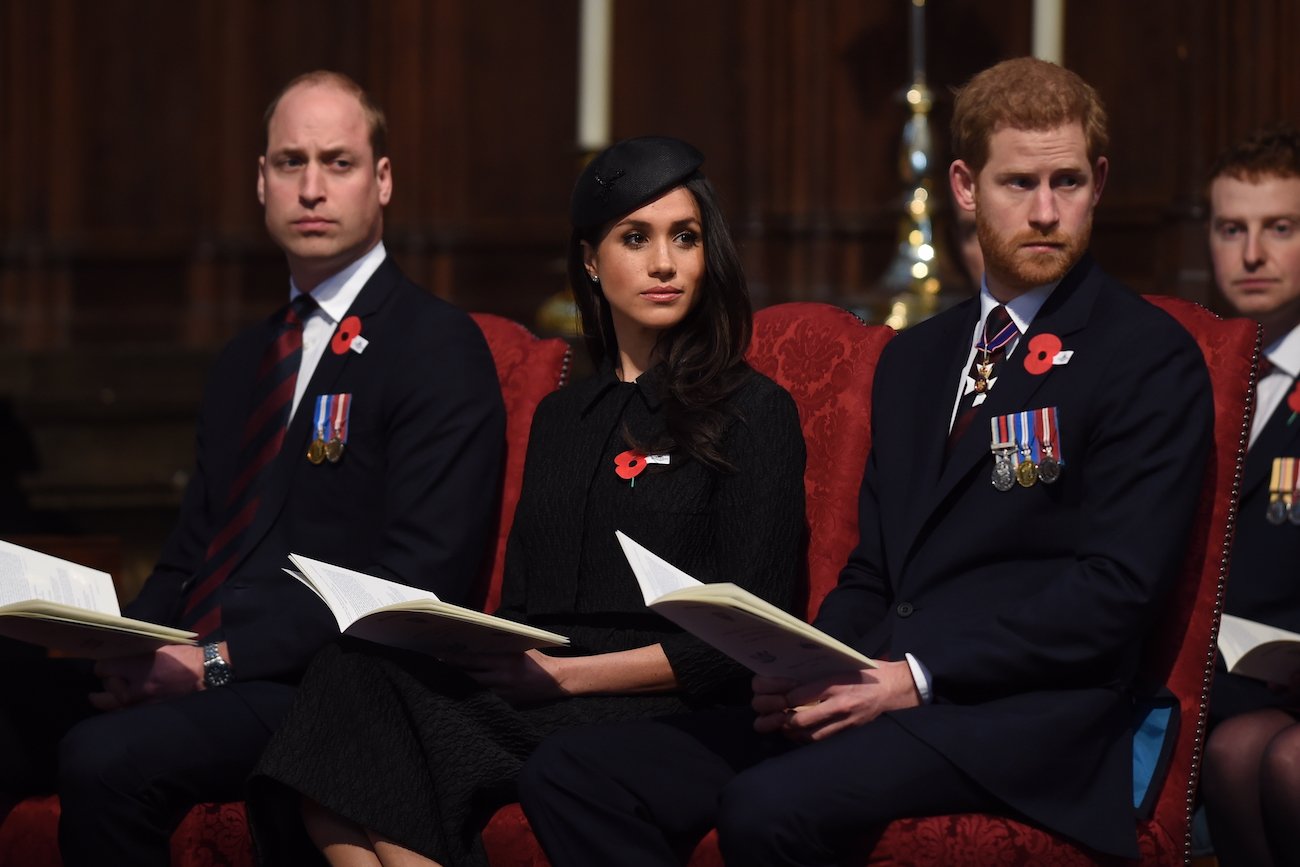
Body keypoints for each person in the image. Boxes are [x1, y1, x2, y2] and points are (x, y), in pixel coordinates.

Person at [518, 57, 1214, 866]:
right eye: (1018, 183)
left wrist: (913, 675)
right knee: (575, 774)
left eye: (1067, 182)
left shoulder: (1147, 355)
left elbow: (1114, 594)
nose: (1046, 211)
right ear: (964, 186)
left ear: (1099, 182)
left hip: (1028, 719)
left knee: (766, 804)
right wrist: (805, 663)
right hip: (880, 687)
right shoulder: (918, 359)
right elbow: (876, 573)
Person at [244, 136, 807, 867]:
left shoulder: (755, 409)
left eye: (685, 238)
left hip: (667, 696)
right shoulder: (560, 419)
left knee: (375, 740)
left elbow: (752, 633)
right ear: (589, 261)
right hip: (544, 683)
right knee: (349, 676)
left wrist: (566, 673)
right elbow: (525, 606)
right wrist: (467, 640)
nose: (664, 263)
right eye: (635, 238)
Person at [0, 70, 505, 866]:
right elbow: (193, 552)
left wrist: (213, 664)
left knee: (106, 759)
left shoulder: (434, 345)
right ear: (259, 181)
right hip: (203, 660)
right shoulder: (246, 358)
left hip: (320, 687)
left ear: (382, 181)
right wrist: (124, 645)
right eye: (290, 162)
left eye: (337, 163)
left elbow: (415, 582)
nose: (311, 187)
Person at [1199, 123, 1300, 867]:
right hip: (1220, 677)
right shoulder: (1191, 368)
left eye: (1280, 228)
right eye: (1232, 229)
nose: (1253, 254)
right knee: (1235, 751)